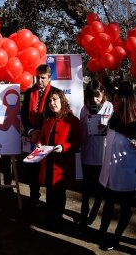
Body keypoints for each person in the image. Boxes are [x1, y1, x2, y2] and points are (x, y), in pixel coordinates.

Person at [98, 84, 136, 251]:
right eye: (115, 100)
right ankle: (102, 233)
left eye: (119, 101)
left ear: (127, 103)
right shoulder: (114, 119)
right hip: (109, 173)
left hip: (125, 175)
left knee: (125, 209)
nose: (115, 103)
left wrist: (131, 169)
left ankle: (116, 238)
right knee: (108, 205)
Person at [36, 89, 82, 229]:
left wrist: (64, 147)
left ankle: (57, 220)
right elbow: (42, 137)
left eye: (54, 99)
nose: (51, 103)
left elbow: (78, 142)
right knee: (50, 192)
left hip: (63, 164)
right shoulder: (48, 119)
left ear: (61, 100)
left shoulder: (73, 120)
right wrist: (39, 143)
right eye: (49, 101)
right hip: (48, 162)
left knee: (59, 193)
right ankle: (50, 218)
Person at [21, 64, 59, 210]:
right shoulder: (30, 92)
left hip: (48, 139)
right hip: (32, 139)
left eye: (43, 78)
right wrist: (31, 131)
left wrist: (42, 133)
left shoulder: (56, 93)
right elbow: (24, 115)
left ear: (49, 78)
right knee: (32, 171)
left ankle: (50, 204)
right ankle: (33, 197)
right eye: (38, 77)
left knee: (48, 171)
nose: (40, 80)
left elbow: (57, 116)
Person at [77, 80, 114, 226]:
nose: (95, 99)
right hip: (87, 155)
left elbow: (113, 130)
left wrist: (106, 129)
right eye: (92, 96)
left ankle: (92, 215)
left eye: (97, 96)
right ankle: (83, 213)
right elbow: (82, 133)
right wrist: (88, 125)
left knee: (99, 190)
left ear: (103, 93)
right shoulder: (84, 109)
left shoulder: (108, 107)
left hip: (102, 156)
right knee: (85, 189)